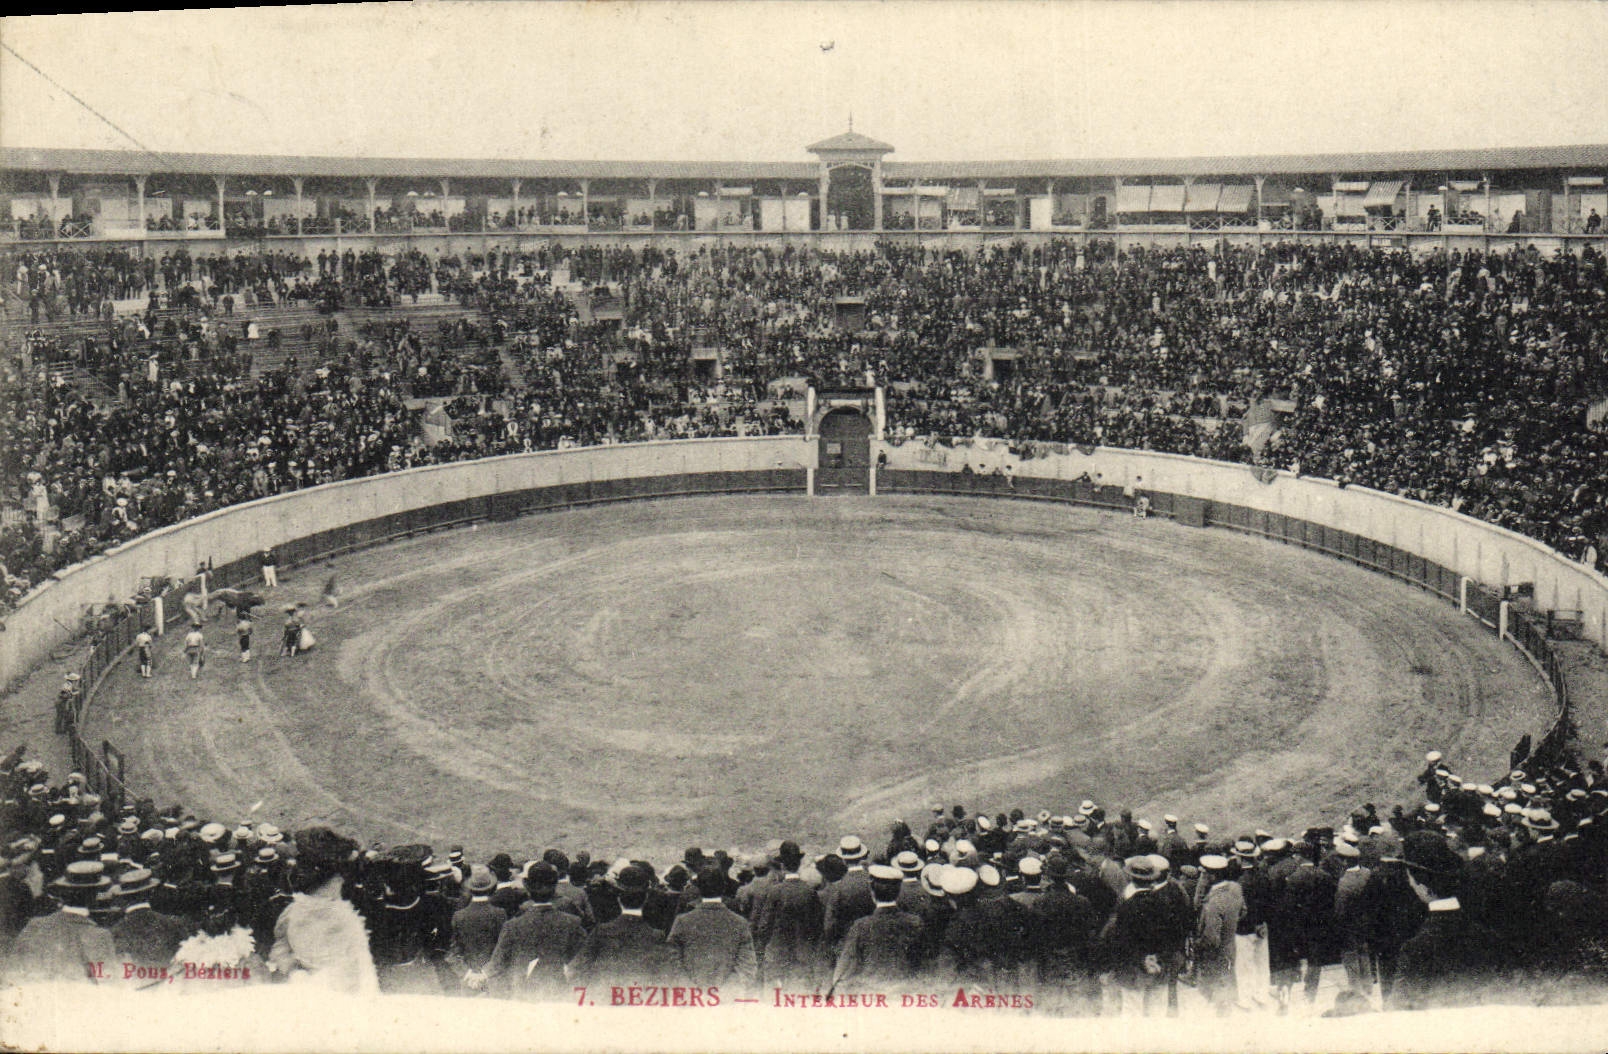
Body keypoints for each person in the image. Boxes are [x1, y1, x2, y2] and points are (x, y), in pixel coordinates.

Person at [267, 826, 378, 993]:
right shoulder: (343, 919)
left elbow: (280, 949)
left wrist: (295, 973)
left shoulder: (292, 911)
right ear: (335, 878)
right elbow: (360, 974)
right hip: (337, 994)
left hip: (306, 989)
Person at [485, 862, 586, 1001]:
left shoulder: (512, 926)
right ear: (555, 886)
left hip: (522, 1002)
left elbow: (496, 969)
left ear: (527, 886)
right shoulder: (572, 923)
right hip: (559, 1000)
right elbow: (583, 967)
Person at [8, 860, 118, 984]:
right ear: (94, 897)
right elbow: (110, 988)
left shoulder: (34, 926)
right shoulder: (100, 937)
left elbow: (11, 975)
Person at [830, 863, 922, 996]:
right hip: (907, 993)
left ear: (872, 892)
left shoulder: (861, 926)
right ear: (898, 892)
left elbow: (844, 970)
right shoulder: (915, 922)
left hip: (873, 994)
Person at [667, 863, 757, 991]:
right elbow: (748, 967)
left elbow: (671, 962)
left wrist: (690, 991)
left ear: (698, 888)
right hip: (727, 1001)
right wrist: (725, 993)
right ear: (723, 887)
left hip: (690, 999)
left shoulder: (682, 921)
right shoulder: (740, 923)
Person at [446, 867, 506, 994]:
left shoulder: (459, 915)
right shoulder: (500, 914)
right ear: (491, 889)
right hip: (493, 979)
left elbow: (452, 953)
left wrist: (468, 974)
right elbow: (503, 949)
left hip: (468, 981)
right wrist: (485, 974)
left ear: (470, 889)